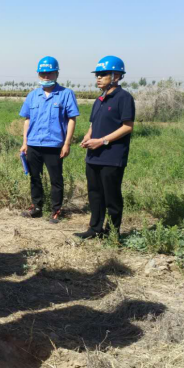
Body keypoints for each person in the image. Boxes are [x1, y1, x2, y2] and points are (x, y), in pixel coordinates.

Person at [76, 56, 135, 239]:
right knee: (94, 194)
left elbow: (127, 127)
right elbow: (93, 124)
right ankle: (95, 229)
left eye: (103, 74)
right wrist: (88, 136)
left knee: (112, 196)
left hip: (112, 157)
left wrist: (102, 141)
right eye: (97, 75)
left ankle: (113, 233)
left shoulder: (124, 98)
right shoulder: (99, 99)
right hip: (93, 156)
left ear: (116, 76)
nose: (98, 78)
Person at [19, 57, 79, 223]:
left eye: (49, 73)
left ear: (56, 74)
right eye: (42, 74)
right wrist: (25, 143)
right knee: (34, 177)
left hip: (54, 145)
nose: (46, 77)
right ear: (38, 75)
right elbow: (27, 120)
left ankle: (56, 210)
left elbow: (72, 119)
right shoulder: (33, 95)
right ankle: (36, 207)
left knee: (56, 179)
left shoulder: (66, 94)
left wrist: (67, 143)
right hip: (33, 144)